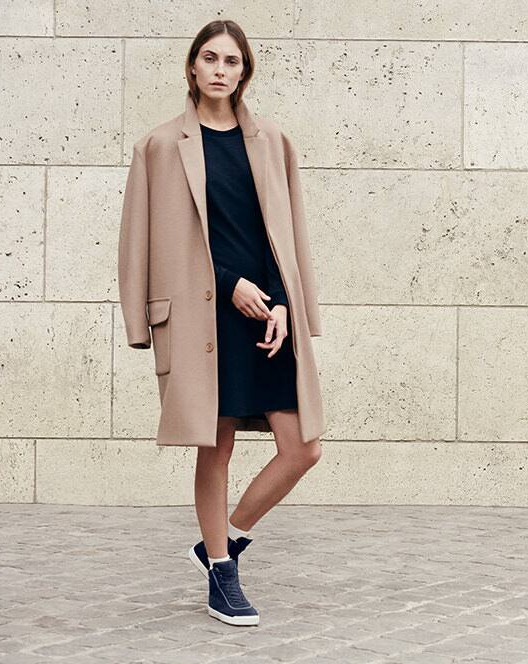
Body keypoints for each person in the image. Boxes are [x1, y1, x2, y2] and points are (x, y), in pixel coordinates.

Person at [117, 20, 325, 626]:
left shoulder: (273, 141)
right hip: (203, 316)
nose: (219, 70)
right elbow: (140, 241)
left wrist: (286, 303)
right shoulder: (160, 146)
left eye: (231, 61)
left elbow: (287, 235)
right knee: (218, 444)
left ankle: (225, 540)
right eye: (209, 58)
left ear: (244, 72)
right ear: (192, 66)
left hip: (268, 315)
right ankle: (222, 574)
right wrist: (217, 290)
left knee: (303, 448)